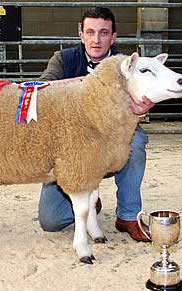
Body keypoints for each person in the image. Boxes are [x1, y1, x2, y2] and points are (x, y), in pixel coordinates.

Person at [37, 7, 155, 242]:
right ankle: (91, 197)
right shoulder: (64, 59)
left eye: (103, 33)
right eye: (90, 32)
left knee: (137, 139)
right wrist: (82, 83)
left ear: (113, 37)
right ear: (81, 35)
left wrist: (141, 112)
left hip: (111, 145)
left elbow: (143, 99)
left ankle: (128, 216)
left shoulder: (129, 66)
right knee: (52, 221)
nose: (96, 39)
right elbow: (41, 89)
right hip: (70, 150)